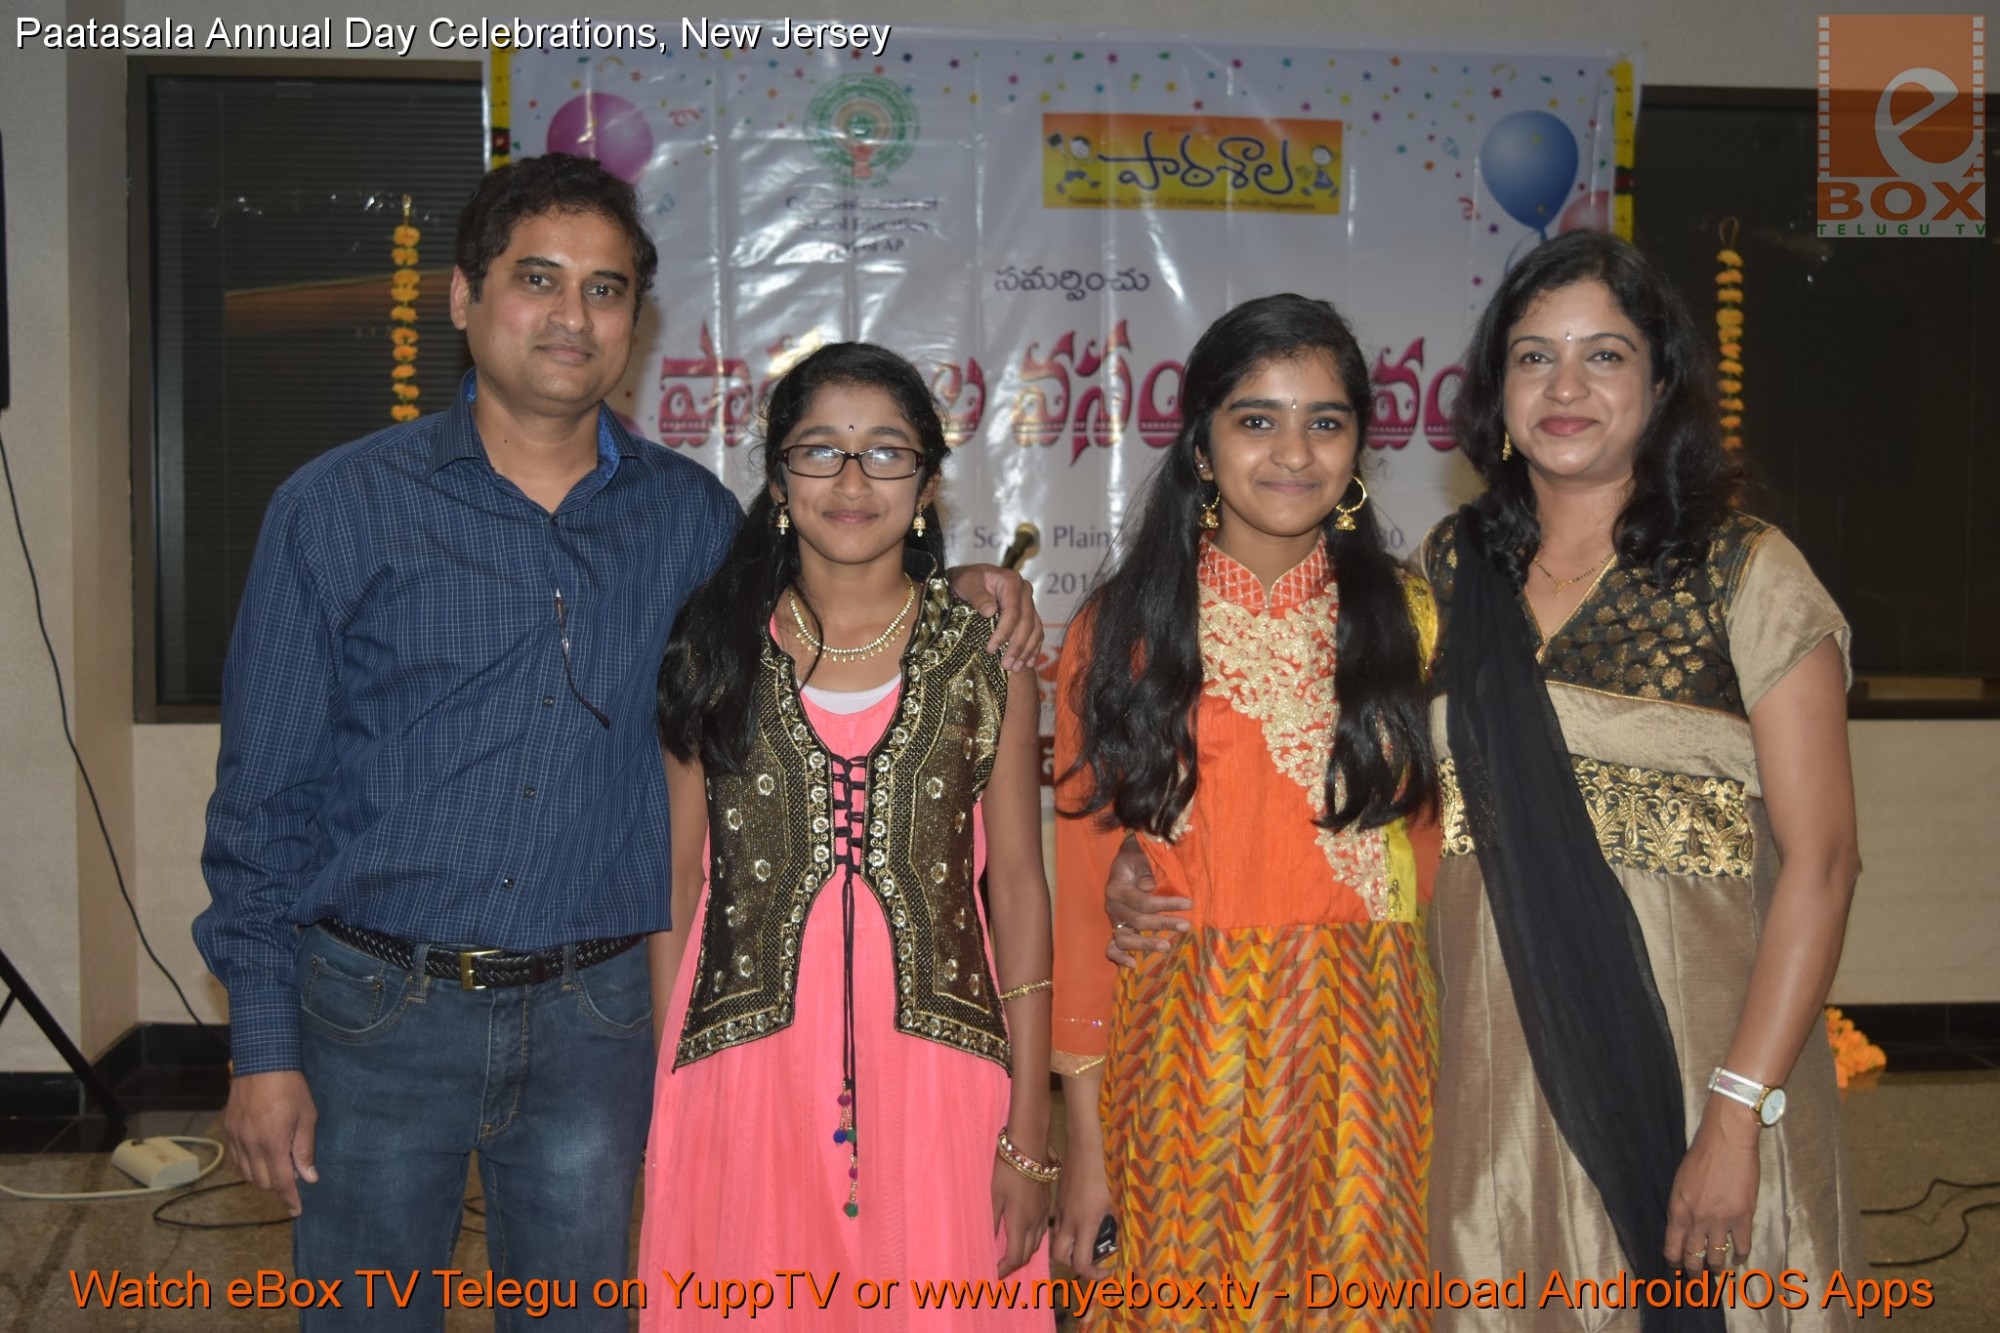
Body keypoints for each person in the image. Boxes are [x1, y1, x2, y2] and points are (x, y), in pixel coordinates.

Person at [194, 154, 1040, 1331]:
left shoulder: (690, 523)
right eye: (537, 278)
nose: (571, 315)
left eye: (603, 290)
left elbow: (846, 582)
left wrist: (979, 581)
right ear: (463, 295)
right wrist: (262, 1047)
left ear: (634, 324)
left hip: (595, 1025)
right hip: (377, 1014)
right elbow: (260, 809)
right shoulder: (336, 510)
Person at [1110, 233, 1867, 1332]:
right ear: (1494, 389)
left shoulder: (1743, 571)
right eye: (1533, 356)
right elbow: (1302, 770)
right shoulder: (1447, 576)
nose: (1565, 387)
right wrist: (1138, 861)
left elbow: (1825, 862)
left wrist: (1738, 1108)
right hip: (1484, 1076)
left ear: (1660, 381)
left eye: (1603, 355)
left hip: (1696, 1058)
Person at [638, 342, 1053, 1330]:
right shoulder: (714, 650)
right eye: (821, 451)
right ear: (780, 479)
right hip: (746, 1073)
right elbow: (679, 883)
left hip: (943, 1076)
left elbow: (1019, 891)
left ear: (928, 483)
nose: (853, 481)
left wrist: (1029, 1132)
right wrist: (673, 1104)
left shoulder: (986, 659)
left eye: (886, 452)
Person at [1049, 295, 1440, 1328]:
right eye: (1256, 419)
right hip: (1182, 1059)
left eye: (1325, 421)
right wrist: (1083, 1150)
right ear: (1201, 442)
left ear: (1359, 445)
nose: (1293, 452)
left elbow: (1448, 862)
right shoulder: (1120, 631)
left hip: (1372, 1054)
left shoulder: (1413, 622)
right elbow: (1085, 906)